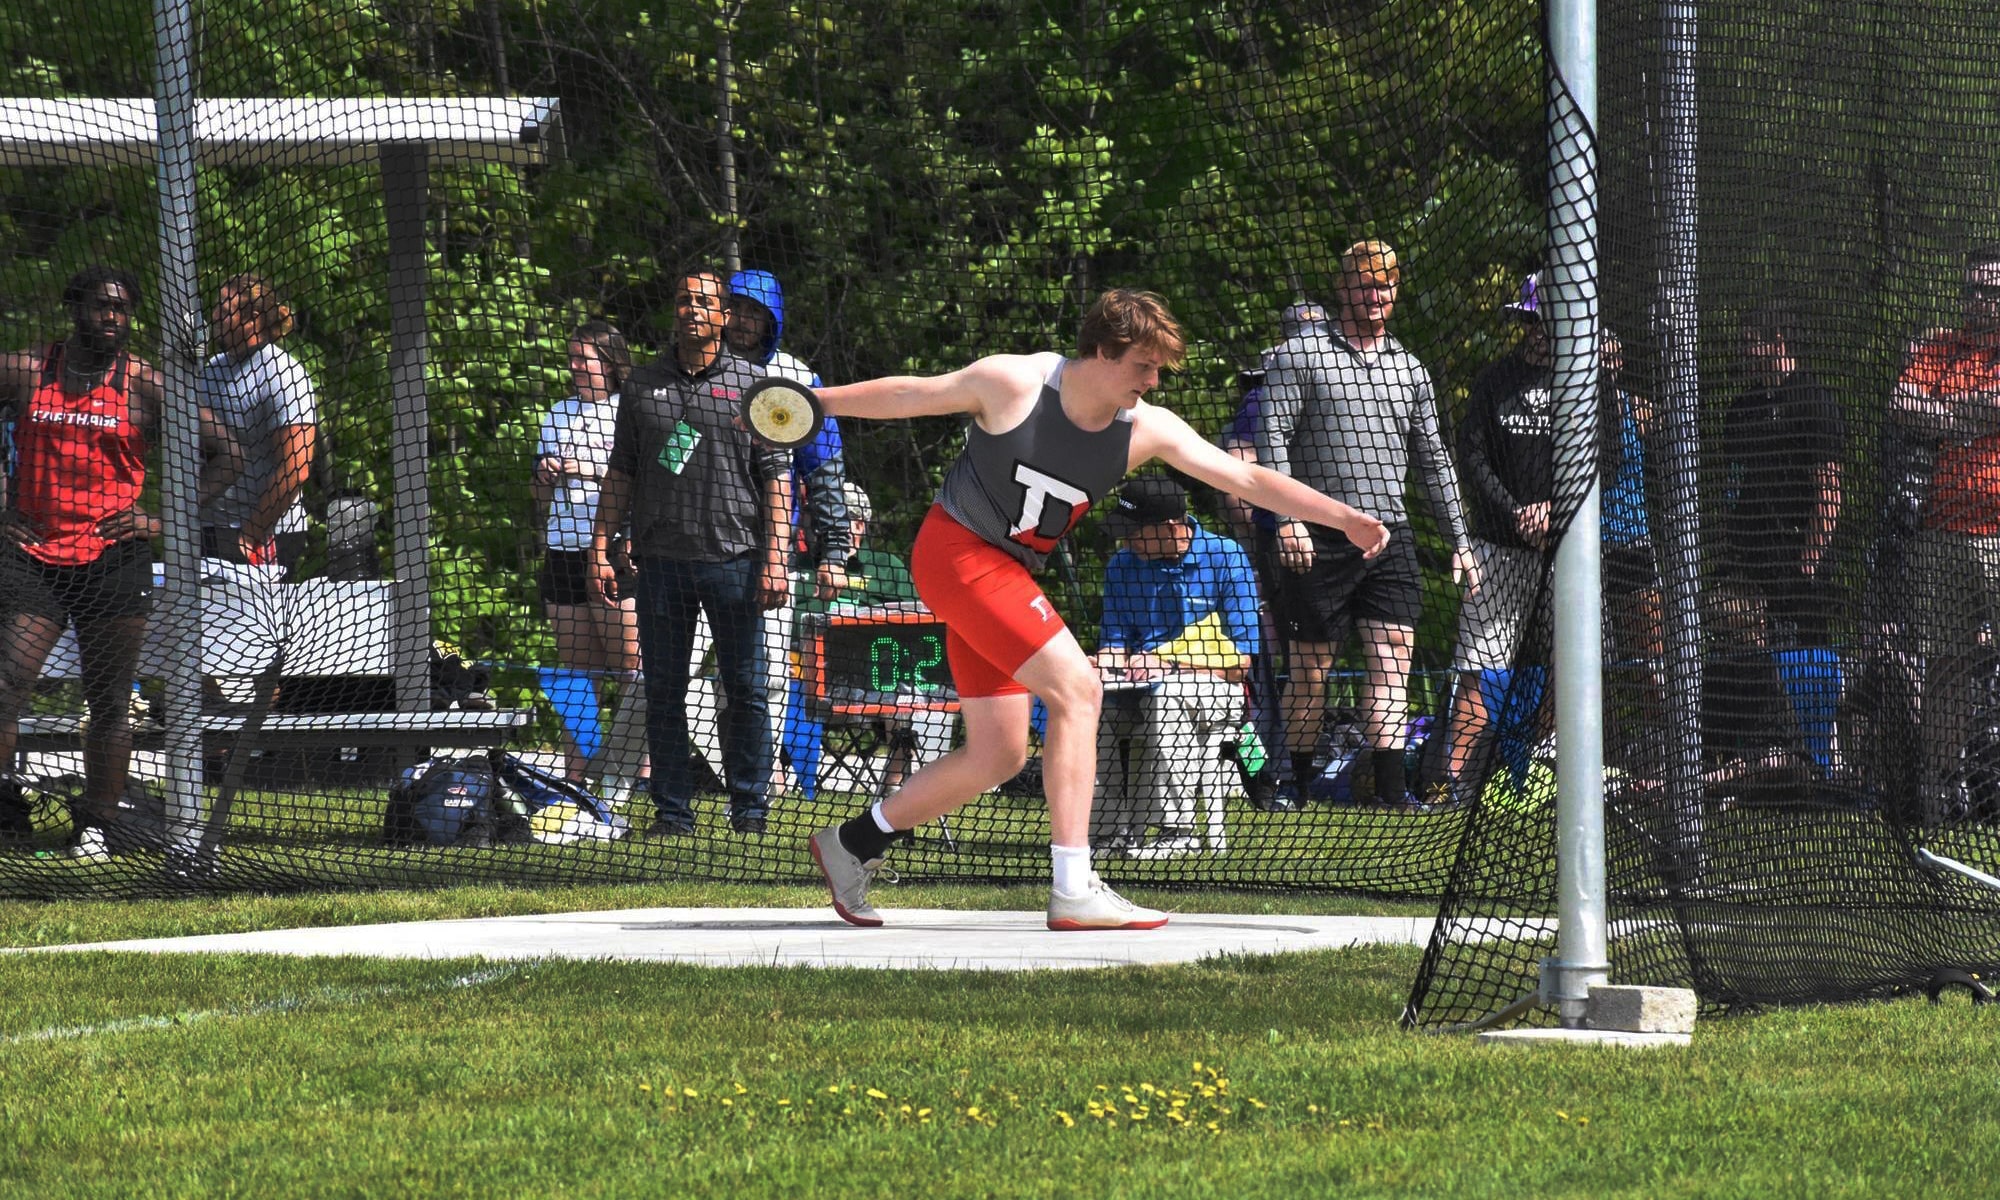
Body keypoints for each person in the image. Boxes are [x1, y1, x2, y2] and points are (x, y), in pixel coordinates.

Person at [803, 288, 1388, 931]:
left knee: (999, 756)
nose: (1153, 379)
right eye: (1143, 364)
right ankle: (1074, 887)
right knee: (1080, 690)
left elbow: (1245, 479)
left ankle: (850, 844)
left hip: (1003, 574)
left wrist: (1343, 519)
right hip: (956, 553)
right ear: (1104, 352)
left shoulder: (1145, 430)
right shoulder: (1014, 381)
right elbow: (912, 395)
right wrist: (815, 404)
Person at [0, 265, 241, 856]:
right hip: (32, 553)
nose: (112, 318)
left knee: (109, 699)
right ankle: (4, 809)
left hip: (113, 557)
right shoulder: (27, 369)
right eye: (101, 306)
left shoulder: (145, 385)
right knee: (7, 684)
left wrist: (164, 520)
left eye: (122, 309)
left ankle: (99, 825)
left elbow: (227, 454)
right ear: (74, 308)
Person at [1255, 240, 1474, 810]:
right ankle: (1296, 786)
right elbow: (1270, 438)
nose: (1374, 296)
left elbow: (1434, 458)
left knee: (1394, 657)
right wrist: (1286, 520)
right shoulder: (1302, 355)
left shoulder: (1411, 369)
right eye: (1364, 285)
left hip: (1389, 537)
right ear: (1343, 287)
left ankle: (1394, 794)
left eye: (1384, 287)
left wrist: (1460, 541)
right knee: (1311, 672)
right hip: (1317, 536)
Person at [591, 269, 792, 836]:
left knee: (747, 690)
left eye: (705, 301)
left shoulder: (756, 384)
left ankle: (750, 810)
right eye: (683, 299)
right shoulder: (642, 385)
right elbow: (621, 472)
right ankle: (672, 813)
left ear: (725, 316)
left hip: (737, 560)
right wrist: (599, 548)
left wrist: (776, 557)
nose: (692, 309)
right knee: (661, 692)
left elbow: (779, 477)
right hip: (659, 565)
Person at [722, 269, 850, 795]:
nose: (743, 321)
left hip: (768, 554)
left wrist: (835, 551)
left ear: (771, 320)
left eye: (756, 312)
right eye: (737, 308)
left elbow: (824, 471)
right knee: (663, 677)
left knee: (770, 679)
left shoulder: (796, 378)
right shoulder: (696, 371)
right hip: (693, 547)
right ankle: (628, 785)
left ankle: (760, 778)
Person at [1089, 474, 1262, 858]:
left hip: (1215, 689)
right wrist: (1095, 665)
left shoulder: (1227, 557)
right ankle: (1104, 835)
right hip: (1134, 688)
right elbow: (1115, 644)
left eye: (1134, 531)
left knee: (1167, 694)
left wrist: (1168, 664)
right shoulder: (1122, 565)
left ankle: (1178, 832)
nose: (1126, 540)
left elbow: (1242, 661)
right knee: (1083, 703)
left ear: (1170, 527)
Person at [1436, 274, 1559, 804]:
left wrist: (1556, 511)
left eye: (1545, 320)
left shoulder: (1586, 384)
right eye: (1529, 320)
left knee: (1569, 661)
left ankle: (1550, 766)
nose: (1536, 330)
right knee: (1477, 663)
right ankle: (1453, 780)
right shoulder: (1494, 380)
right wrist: (1517, 513)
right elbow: (1473, 459)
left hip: (1566, 549)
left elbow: (1611, 461)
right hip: (1495, 544)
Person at [1893, 246, 2000, 825]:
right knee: (1946, 666)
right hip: (1944, 531)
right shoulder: (1940, 348)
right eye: (1971, 291)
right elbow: (1902, 403)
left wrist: (1946, 411)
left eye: (1990, 292)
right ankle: (1940, 789)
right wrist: (1971, 413)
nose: (1978, 302)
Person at [532, 320, 646, 789]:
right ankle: (575, 779)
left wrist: (592, 471)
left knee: (632, 671)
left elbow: (645, 485)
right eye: (573, 358)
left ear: (611, 363)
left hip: (615, 553)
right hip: (562, 551)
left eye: (586, 359)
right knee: (578, 677)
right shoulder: (557, 413)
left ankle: (638, 777)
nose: (576, 368)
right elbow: (541, 504)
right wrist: (545, 477)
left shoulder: (633, 410)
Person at [782, 480, 944, 801]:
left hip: (875, 683)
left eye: (849, 519)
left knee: (913, 695)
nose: (841, 528)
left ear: (860, 524)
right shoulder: (794, 567)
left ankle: (893, 790)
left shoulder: (887, 568)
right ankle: (778, 782)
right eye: (828, 519)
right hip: (805, 679)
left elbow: (919, 627)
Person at [1716, 304, 1845, 649]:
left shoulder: (1813, 401)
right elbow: (1732, 484)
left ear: (1777, 341)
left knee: (1801, 668)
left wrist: (1806, 568)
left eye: (1750, 342)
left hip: (1795, 564)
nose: (1744, 352)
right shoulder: (1742, 409)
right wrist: (1730, 558)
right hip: (1750, 568)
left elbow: (1829, 492)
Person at [194, 274, 318, 575]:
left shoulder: (283, 374)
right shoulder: (212, 369)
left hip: (264, 534)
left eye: (224, 311)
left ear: (253, 317)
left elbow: (296, 467)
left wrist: (250, 536)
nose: (215, 317)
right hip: (207, 530)